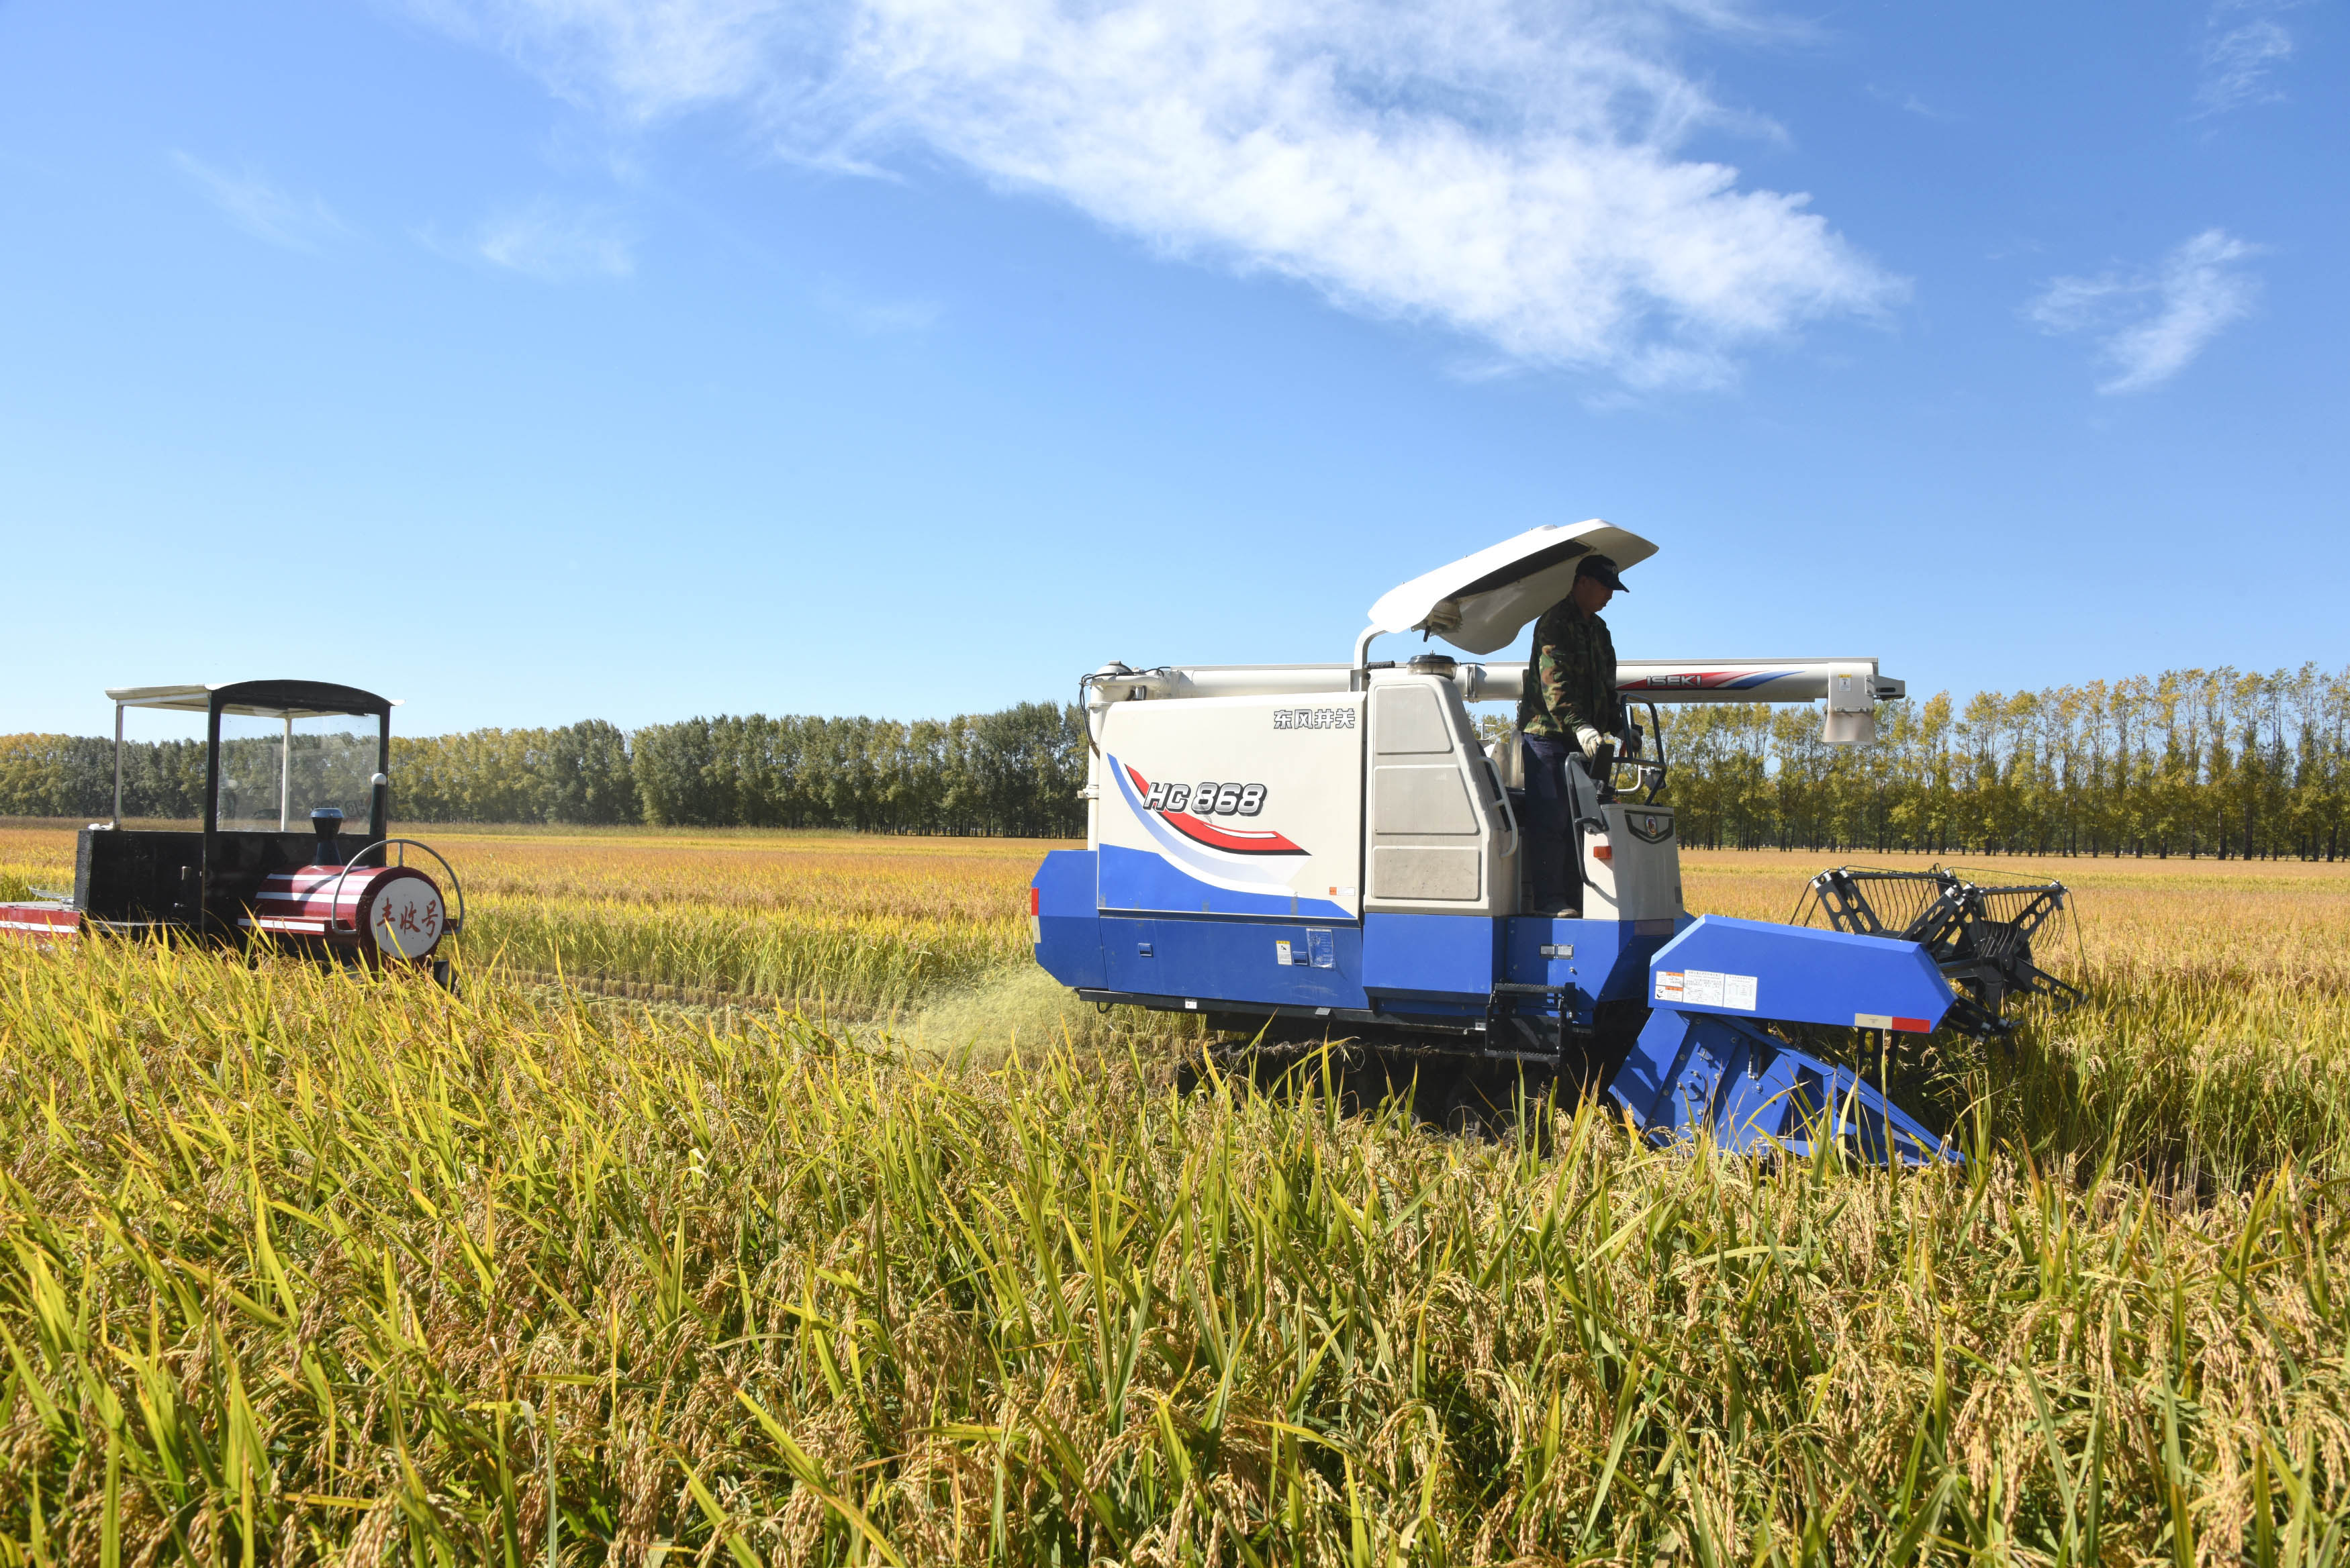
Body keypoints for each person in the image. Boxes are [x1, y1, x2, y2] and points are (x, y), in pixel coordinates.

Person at [1516, 553, 1632, 913]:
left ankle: (1581, 897)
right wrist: (1581, 725)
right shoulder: (1554, 623)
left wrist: (1620, 726)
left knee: (1585, 822)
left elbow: (1605, 687)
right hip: (1548, 736)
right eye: (1604, 588)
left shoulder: (1599, 631)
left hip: (1587, 740)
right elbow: (1556, 687)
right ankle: (1551, 902)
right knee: (1552, 820)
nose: (1609, 597)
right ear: (1582, 582)